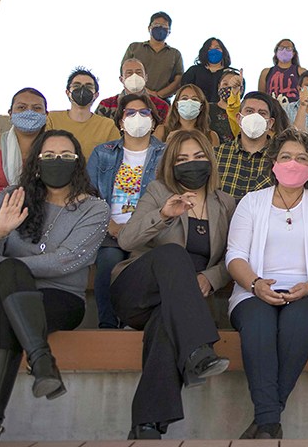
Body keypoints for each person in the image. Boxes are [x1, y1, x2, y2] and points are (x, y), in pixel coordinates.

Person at [0, 129, 109, 440]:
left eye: (66, 156)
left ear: (78, 163)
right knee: (11, 276)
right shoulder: (12, 197)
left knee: (7, 314)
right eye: (49, 155)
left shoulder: (95, 208)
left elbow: (66, 260)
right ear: (36, 162)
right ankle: (40, 359)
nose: (57, 161)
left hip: (59, 297)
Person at [112, 129, 235, 439]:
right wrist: (164, 215)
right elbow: (126, 240)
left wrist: (211, 277)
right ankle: (197, 349)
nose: (191, 163)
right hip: (138, 290)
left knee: (166, 326)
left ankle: (147, 426)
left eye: (198, 156)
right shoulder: (158, 192)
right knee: (173, 254)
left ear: (210, 160)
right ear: (171, 164)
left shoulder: (226, 203)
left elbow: (234, 257)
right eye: (182, 159)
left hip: (180, 304)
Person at [226, 129, 308, 440]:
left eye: (301, 158)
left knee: (297, 325)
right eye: (285, 157)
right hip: (253, 290)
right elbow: (235, 255)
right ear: (273, 162)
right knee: (258, 326)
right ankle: (270, 423)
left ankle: (266, 421)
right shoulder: (251, 202)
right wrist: (256, 284)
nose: (292, 164)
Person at [87, 93, 167, 329]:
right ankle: (108, 325)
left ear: (153, 120)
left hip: (149, 231)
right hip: (110, 230)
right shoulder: (102, 152)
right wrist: (109, 225)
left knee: (140, 267)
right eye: (130, 113)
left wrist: (140, 228)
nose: (137, 117)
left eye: (144, 112)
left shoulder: (167, 153)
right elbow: (89, 195)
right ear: (121, 122)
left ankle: (133, 322)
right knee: (108, 261)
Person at [216, 92, 286, 199]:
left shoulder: (280, 158)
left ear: (270, 123)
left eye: (262, 113)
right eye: (249, 111)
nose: (255, 116)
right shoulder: (217, 154)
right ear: (239, 118)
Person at [45, 67, 121, 156]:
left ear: (96, 95)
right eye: (76, 86)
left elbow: (115, 156)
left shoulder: (107, 125)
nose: (82, 90)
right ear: (67, 92)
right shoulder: (52, 118)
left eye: (89, 87)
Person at [122, 11, 183, 99]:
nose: (160, 28)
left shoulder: (175, 54)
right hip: (133, 97)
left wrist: (158, 95)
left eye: (164, 26)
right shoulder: (134, 48)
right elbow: (124, 71)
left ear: (169, 31)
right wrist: (146, 92)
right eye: (157, 25)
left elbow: (178, 79)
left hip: (163, 100)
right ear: (149, 28)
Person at [95, 58, 170, 122]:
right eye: (129, 73)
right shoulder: (106, 105)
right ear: (121, 79)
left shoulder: (161, 106)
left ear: (146, 77)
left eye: (139, 72)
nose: (134, 76)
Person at [181, 37, 232, 103]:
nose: (213, 51)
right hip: (197, 107)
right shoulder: (193, 71)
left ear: (223, 51)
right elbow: (183, 90)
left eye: (217, 48)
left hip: (223, 108)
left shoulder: (230, 73)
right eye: (209, 49)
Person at [259, 38, 307, 103]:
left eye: (288, 48)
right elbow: (261, 96)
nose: (284, 51)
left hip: (294, 108)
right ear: (276, 52)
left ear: (293, 53)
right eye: (281, 48)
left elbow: (306, 94)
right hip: (272, 107)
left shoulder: (301, 72)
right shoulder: (266, 72)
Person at [211, 68, 244, 143]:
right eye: (225, 84)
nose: (229, 88)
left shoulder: (245, 112)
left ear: (241, 90)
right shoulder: (207, 108)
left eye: (234, 85)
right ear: (219, 86)